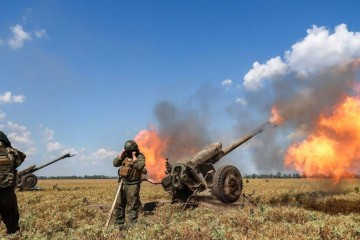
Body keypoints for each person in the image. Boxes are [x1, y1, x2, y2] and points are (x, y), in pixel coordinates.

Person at [113, 140, 145, 229]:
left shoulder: (140, 156)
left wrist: (134, 157)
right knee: (119, 205)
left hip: (133, 185)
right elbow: (115, 164)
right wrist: (120, 156)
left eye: (129, 151)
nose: (128, 153)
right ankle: (119, 224)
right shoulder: (124, 156)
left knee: (132, 206)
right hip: (123, 183)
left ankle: (132, 226)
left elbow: (139, 166)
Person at [0, 131, 26, 234]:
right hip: (6, 193)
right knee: (12, 225)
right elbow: (21, 157)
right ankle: (13, 234)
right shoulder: (11, 153)